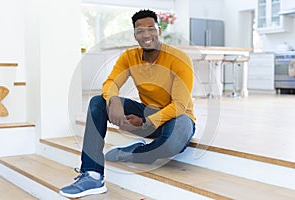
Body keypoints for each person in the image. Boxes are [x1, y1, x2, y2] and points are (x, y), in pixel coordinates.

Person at [59, 9, 196, 198]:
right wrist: (113, 99)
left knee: (172, 143)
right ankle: (92, 174)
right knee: (98, 102)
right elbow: (111, 83)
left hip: (177, 117)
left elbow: (180, 105)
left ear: (159, 31)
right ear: (135, 35)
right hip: (147, 112)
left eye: (151, 29)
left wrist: (145, 123)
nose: (146, 34)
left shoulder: (179, 59)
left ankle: (133, 153)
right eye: (140, 31)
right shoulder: (129, 57)